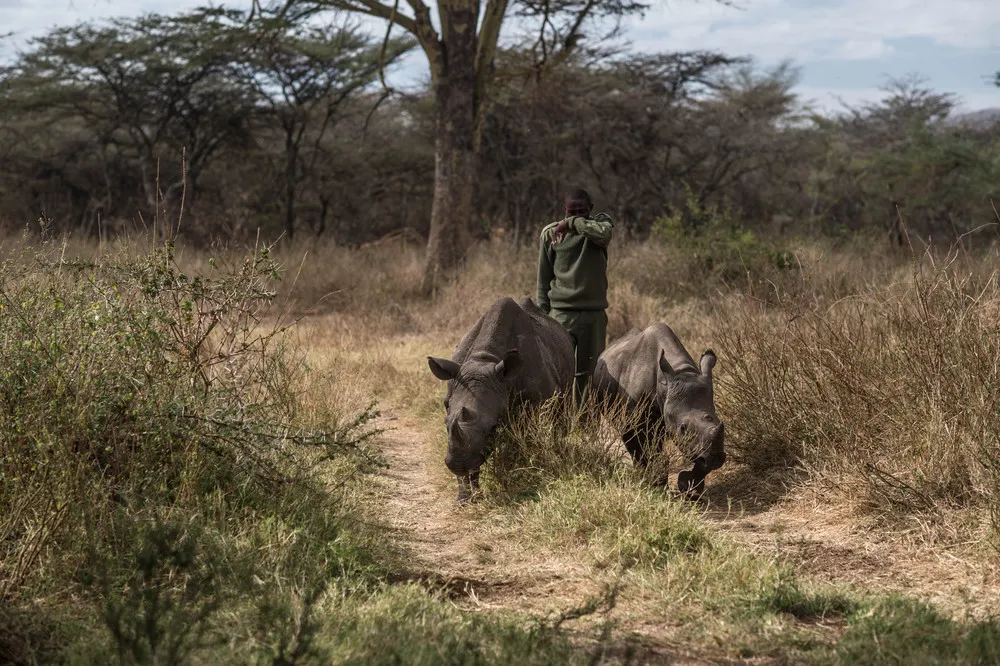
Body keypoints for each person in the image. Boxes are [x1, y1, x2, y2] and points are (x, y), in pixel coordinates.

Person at [536, 188, 614, 405]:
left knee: (589, 374)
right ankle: (558, 423)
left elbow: (603, 235)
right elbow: (543, 280)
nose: (577, 215)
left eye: (581, 211)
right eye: (572, 212)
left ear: (590, 209)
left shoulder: (601, 226)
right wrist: (541, 318)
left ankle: (585, 426)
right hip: (561, 314)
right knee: (558, 370)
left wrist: (571, 224)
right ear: (564, 210)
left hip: (593, 314)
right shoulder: (551, 234)